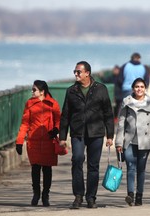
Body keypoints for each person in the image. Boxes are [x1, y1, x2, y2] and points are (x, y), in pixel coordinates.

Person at [59, 61, 114, 209]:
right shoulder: (71, 91)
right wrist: (62, 137)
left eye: (78, 72)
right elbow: (65, 115)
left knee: (93, 166)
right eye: (75, 72)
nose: (76, 74)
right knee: (77, 160)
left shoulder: (100, 89)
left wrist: (110, 135)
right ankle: (78, 196)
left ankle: (91, 197)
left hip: (96, 133)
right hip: (78, 132)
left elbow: (108, 113)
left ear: (87, 73)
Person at [115, 77, 150, 206]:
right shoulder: (126, 102)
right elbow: (121, 124)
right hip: (129, 141)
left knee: (141, 169)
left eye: (141, 87)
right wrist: (119, 143)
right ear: (133, 88)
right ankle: (130, 194)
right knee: (130, 167)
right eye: (137, 87)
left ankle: (139, 196)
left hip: (145, 142)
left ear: (145, 88)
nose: (139, 89)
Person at [15, 80, 61, 207]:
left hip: (48, 141)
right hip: (33, 142)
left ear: (42, 91)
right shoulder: (29, 104)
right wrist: (19, 141)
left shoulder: (53, 104)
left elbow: (59, 120)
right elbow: (25, 123)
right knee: (35, 169)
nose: (32, 91)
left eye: (34, 89)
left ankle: (45, 195)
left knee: (47, 169)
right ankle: (36, 193)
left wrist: (56, 129)